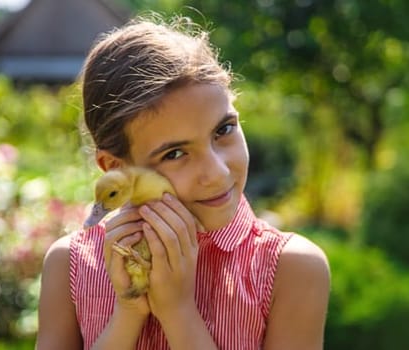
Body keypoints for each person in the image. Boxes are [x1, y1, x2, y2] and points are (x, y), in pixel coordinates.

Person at [35, 14, 329, 349]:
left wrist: (178, 312)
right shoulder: (70, 265)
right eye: (175, 154)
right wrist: (129, 311)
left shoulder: (289, 269)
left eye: (224, 130)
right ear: (116, 167)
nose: (218, 172)